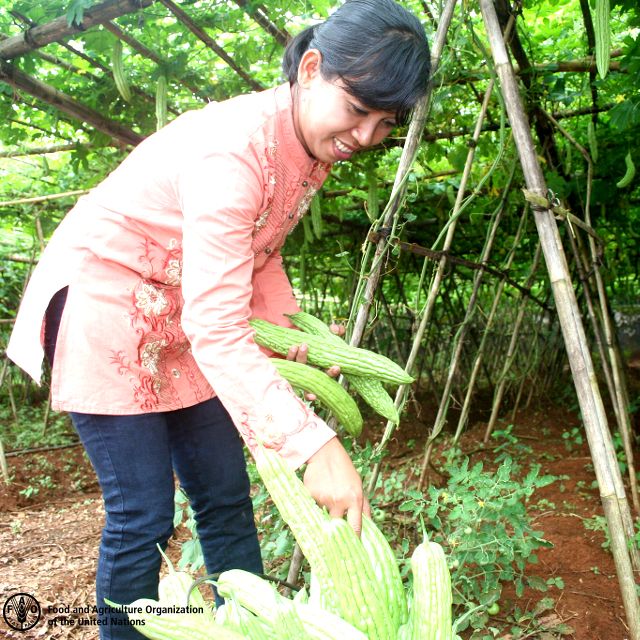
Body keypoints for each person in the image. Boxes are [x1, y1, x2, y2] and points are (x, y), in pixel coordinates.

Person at [7, 0, 430, 636]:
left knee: (225, 494)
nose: (366, 137)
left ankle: (248, 627)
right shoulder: (232, 152)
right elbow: (220, 329)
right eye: (358, 110)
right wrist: (314, 446)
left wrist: (295, 338)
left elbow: (260, 252)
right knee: (144, 514)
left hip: (185, 317)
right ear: (310, 68)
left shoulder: (307, 146)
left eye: (385, 122)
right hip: (107, 304)